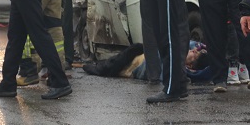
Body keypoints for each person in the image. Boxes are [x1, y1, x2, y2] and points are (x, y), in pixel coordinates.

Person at [82, 41, 211, 81]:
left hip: (140, 66)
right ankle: (99, 66)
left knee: (123, 60)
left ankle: (98, 69)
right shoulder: (185, 53)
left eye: (194, 54)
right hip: (148, 55)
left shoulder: (179, 68)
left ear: (190, 66)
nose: (193, 50)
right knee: (135, 48)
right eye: (195, 50)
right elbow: (191, 43)